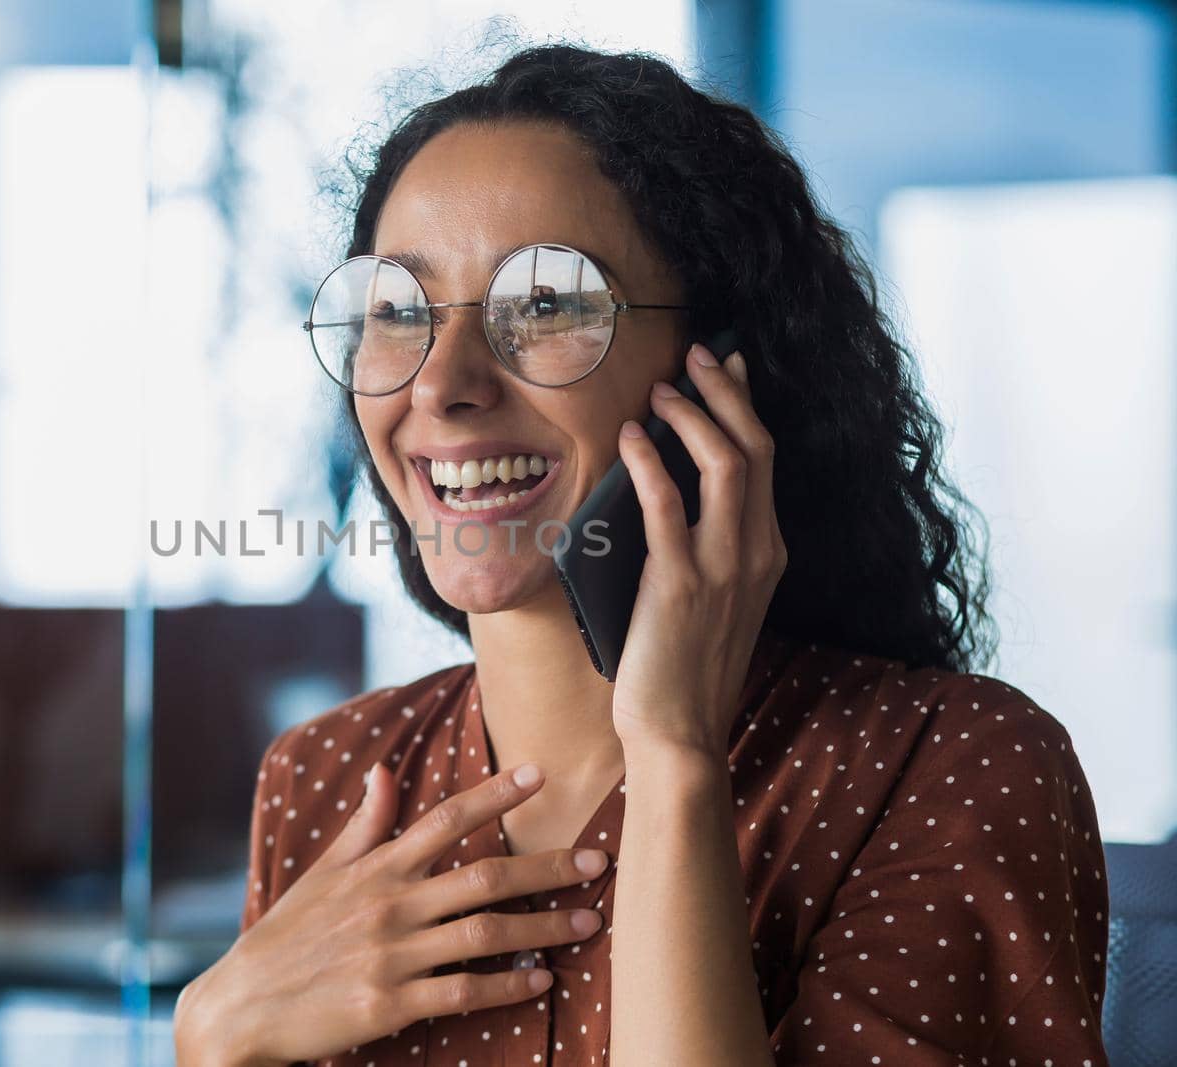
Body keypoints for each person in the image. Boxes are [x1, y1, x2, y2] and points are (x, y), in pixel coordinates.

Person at [174, 42, 1109, 1066]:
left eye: (544, 305)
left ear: (721, 376)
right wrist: (211, 1035)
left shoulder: (951, 765)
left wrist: (672, 759)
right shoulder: (327, 777)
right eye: (398, 312)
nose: (442, 385)